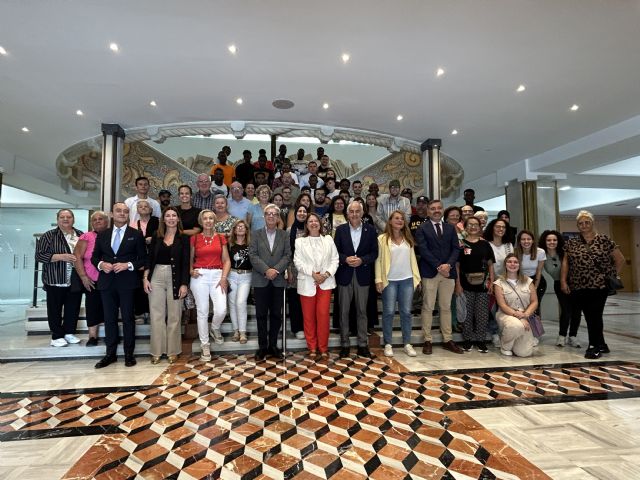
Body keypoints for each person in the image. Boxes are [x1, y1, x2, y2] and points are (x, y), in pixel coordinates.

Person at [561, 210, 625, 359]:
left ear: (592, 223)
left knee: (594, 315)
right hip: (578, 285)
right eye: (581, 223)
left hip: (599, 286)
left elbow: (620, 259)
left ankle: (593, 346)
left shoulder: (604, 240)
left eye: (587, 222)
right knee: (592, 315)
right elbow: (565, 262)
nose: (584, 225)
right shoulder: (571, 242)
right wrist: (564, 281)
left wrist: (612, 275)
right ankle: (601, 343)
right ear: (577, 225)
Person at [92, 203, 147, 368]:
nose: (122, 213)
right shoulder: (102, 235)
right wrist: (101, 264)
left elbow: (143, 259)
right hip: (107, 282)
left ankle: (129, 354)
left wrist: (128, 265)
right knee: (109, 319)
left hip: (127, 282)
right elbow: (94, 257)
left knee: (128, 319)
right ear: (111, 214)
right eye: (118, 211)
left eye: (125, 211)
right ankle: (110, 354)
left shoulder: (136, 234)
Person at [415, 199, 463, 355]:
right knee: (428, 306)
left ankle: (447, 339)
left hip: (448, 274)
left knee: (446, 307)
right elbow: (423, 250)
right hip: (430, 272)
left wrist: (448, 265)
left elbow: (456, 249)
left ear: (442, 210)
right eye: (433, 208)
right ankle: (427, 340)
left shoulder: (450, 228)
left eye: (439, 208)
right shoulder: (422, 228)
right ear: (428, 211)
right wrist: (438, 266)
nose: (436, 211)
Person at [143, 207, 189, 364]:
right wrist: (145, 278)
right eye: (167, 215)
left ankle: (173, 350)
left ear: (178, 219)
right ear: (163, 219)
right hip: (156, 276)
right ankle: (156, 351)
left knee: (175, 315)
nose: (170, 218)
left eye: (173, 215)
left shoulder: (183, 238)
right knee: (156, 315)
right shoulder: (156, 235)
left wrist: (184, 284)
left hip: (175, 277)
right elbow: (149, 259)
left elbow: (185, 262)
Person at [334, 201, 379, 358]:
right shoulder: (340, 230)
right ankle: (344, 344)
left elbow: (374, 253)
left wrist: (362, 260)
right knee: (344, 311)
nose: (354, 214)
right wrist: (345, 259)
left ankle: (362, 344)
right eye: (351, 211)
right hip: (345, 274)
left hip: (363, 274)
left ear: (362, 213)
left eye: (357, 211)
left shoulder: (371, 230)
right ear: (347, 214)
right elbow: (335, 252)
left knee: (362, 311)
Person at [373, 210, 419, 358]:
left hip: (407, 280)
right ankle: (388, 344)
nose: (400, 221)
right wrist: (378, 279)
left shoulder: (408, 238)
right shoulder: (382, 239)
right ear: (390, 221)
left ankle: (407, 344)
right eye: (397, 218)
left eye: (402, 219)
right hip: (389, 281)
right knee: (389, 312)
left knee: (406, 312)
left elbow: (413, 259)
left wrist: (416, 278)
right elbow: (378, 260)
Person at [249, 204, 291, 361]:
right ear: (264, 217)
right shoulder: (256, 234)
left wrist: (276, 270)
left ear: (278, 217)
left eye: (274, 214)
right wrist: (267, 270)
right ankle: (262, 347)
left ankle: (273, 346)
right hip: (261, 280)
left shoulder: (284, 235)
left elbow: (287, 255)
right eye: (268, 214)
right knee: (260, 315)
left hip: (278, 281)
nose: (271, 216)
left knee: (276, 315)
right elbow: (253, 255)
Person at [36, 209, 84, 347]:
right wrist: (60, 256)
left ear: (73, 219)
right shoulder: (49, 236)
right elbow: (39, 256)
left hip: (76, 278)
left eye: (68, 217)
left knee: (73, 307)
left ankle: (69, 333)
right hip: (55, 278)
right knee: (55, 309)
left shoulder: (81, 235)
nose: (65, 219)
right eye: (62, 217)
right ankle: (56, 336)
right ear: (57, 219)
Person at [294, 213, 339, 358]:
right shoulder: (300, 242)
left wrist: (325, 275)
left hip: (325, 282)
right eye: (310, 221)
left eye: (316, 221)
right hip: (308, 280)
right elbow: (298, 262)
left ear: (320, 224)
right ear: (306, 225)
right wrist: (313, 274)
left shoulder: (328, 239)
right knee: (308, 317)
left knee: (323, 315)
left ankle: (323, 347)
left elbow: (335, 260)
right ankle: (312, 347)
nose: (313, 223)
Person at [190, 209, 231, 360]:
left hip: (217, 275)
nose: (208, 221)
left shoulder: (221, 238)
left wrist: (224, 277)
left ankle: (214, 328)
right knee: (202, 311)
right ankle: (205, 345)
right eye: (205, 219)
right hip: (199, 275)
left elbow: (226, 260)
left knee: (221, 309)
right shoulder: (195, 238)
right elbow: (190, 257)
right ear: (201, 221)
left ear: (215, 221)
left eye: (211, 219)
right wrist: (190, 270)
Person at [456, 216, 495, 352]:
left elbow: (490, 264)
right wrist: (458, 284)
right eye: (470, 224)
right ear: (465, 227)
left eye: (476, 224)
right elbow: (457, 266)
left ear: (480, 227)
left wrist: (491, 281)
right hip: (465, 283)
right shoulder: (461, 244)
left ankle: (480, 340)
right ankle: (468, 339)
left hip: (483, 284)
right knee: (467, 313)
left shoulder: (485, 244)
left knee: (482, 313)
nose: (473, 227)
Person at [73, 211, 109, 346]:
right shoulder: (86, 236)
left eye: (101, 219)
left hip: (110, 279)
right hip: (91, 279)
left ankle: (109, 335)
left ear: (107, 222)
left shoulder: (112, 234)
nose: (98, 221)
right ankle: (92, 337)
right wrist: (83, 277)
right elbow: (77, 257)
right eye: (95, 220)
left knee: (109, 307)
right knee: (92, 307)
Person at [539, 230, 579, 348]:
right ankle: (562, 336)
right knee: (566, 310)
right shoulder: (541, 254)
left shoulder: (564, 252)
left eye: (554, 240)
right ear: (544, 242)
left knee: (576, 311)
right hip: (559, 284)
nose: (552, 242)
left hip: (574, 283)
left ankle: (573, 336)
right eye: (549, 240)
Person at [493, 253, 537, 357]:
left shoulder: (528, 281)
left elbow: (534, 301)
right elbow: (502, 305)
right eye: (509, 262)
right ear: (505, 265)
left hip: (525, 316)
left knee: (525, 353)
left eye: (515, 262)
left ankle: (512, 338)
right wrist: (520, 317)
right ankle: (505, 346)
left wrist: (525, 315)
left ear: (519, 265)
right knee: (515, 325)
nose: (512, 264)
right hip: (506, 315)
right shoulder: (499, 283)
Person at [483, 217, 515, 346]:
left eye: (503, 227)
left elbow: (511, 263)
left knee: (504, 307)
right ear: (492, 228)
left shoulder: (508, 246)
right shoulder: (485, 243)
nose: (500, 229)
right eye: (498, 226)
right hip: (489, 281)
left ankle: (506, 332)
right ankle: (494, 333)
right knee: (491, 308)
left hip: (504, 282)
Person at [227, 220, 252, 344]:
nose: (240, 228)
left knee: (240, 302)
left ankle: (243, 332)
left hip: (246, 276)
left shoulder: (251, 245)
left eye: (243, 227)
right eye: (238, 227)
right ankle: (236, 331)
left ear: (247, 230)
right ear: (234, 230)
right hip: (231, 275)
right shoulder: (229, 244)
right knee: (232, 303)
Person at [287, 205, 309, 340]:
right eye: (299, 211)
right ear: (295, 214)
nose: (302, 213)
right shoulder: (290, 230)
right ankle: (297, 328)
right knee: (295, 301)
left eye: (304, 211)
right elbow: (287, 252)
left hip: (309, 271)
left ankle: (308, 327)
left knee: (307, 300)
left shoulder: (311, 228)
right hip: (294, 270)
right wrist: (288, 270)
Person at [515, 230, 546, 322]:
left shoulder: (540, 252)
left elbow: (539, 271)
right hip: (521, 280)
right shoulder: (515, 252)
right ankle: (524, 330)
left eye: (529, 239)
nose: (526, 241)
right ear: (519, 241)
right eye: (523, 239)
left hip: (537, 280)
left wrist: (535, 287)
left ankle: (536, 332)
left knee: (535, 307)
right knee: (521, 306)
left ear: (533, 240)